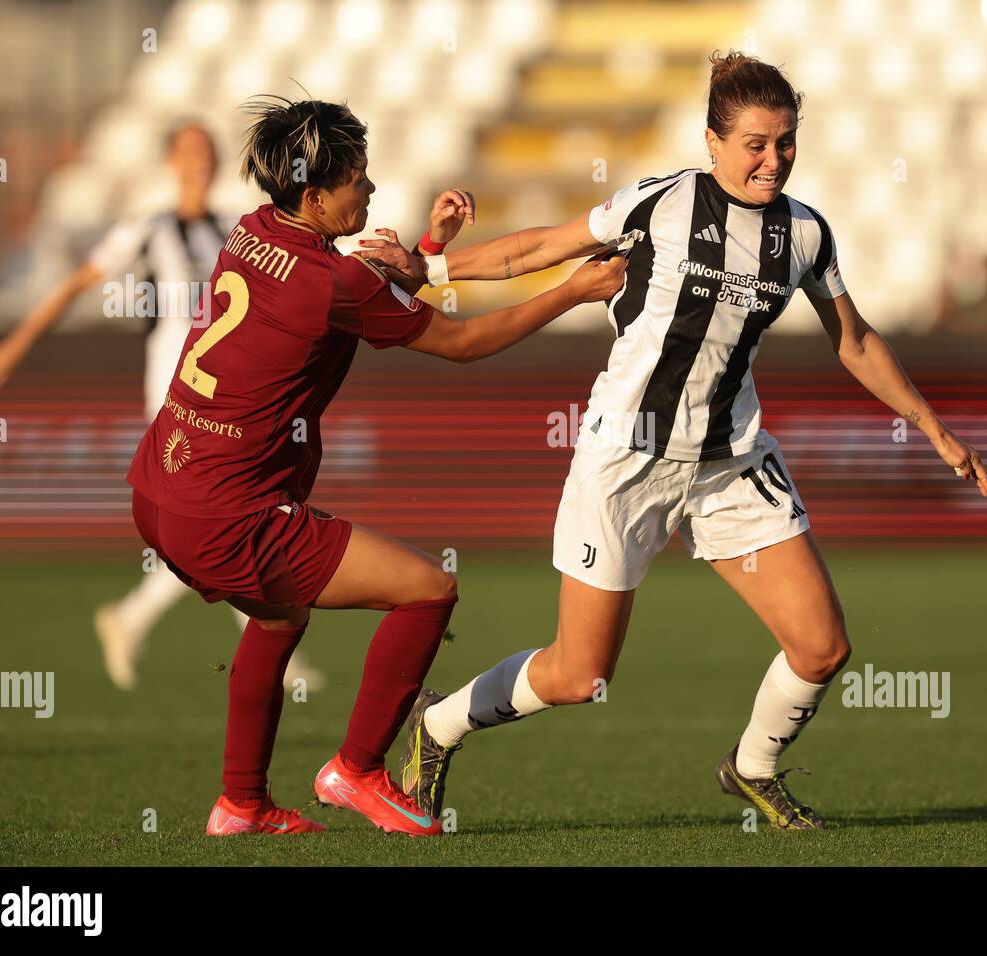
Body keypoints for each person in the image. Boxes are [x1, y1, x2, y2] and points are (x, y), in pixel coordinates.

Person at [360, 51, 987, 831]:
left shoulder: (803, 233)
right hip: (627, 458)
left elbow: (855, 340)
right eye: (757, 143)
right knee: (577, 674)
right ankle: (440, 724)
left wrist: (934, 428)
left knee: (822, 648)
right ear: (712, 141)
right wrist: (431, 272)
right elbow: (540, 250)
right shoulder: (660, 203)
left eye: (786, 142)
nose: (774, 159)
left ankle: (753, 768)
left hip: (731, 462)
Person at [123, 96, 626, 836]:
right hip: (227, 514)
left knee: (276, 618)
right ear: (314, 194)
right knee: (428, 589)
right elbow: (459, 344)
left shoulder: (253, 230)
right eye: (358, 178)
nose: (371, 188)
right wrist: (571, 291)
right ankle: (355, 770)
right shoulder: (333, 283)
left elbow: (358, 295)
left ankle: (241, 805)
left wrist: (429, 249)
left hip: (158, 490)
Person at [0, 121, 324, 693]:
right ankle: (269, 638)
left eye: (207, 153)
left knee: (229, 516)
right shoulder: (149, 227)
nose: (199, 163)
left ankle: (150, 621)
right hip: (173, 394)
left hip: (229, 391)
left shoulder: (231, 230)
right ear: (170, 162)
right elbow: (77, 282)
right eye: (188, 153)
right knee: (220, 517)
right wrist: (17, 341)